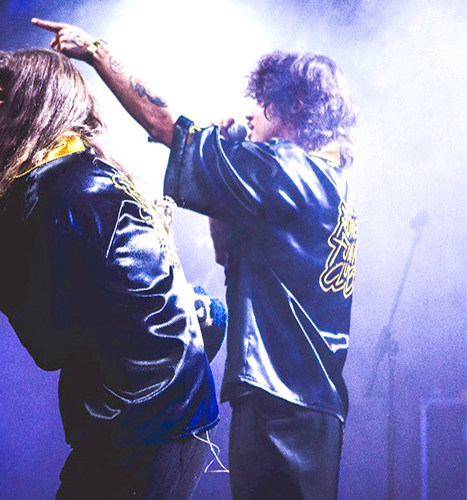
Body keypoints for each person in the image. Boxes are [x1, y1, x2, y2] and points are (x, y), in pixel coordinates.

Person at [33, 18, 358, 500]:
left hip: (279, 396)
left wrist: (95, 51)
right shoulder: (328, 181)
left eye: (262, 100)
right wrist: (227, 164)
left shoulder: (285, 169)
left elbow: (164, 125)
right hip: (310, 403)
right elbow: (224, 252)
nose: (250, 112)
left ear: (294, 105)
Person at [0, 48, 221, 500]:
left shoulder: (54, 192)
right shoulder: (77, 171)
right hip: (170, 415)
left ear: (28, 109)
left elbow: (48, 345)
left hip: (144, 425)